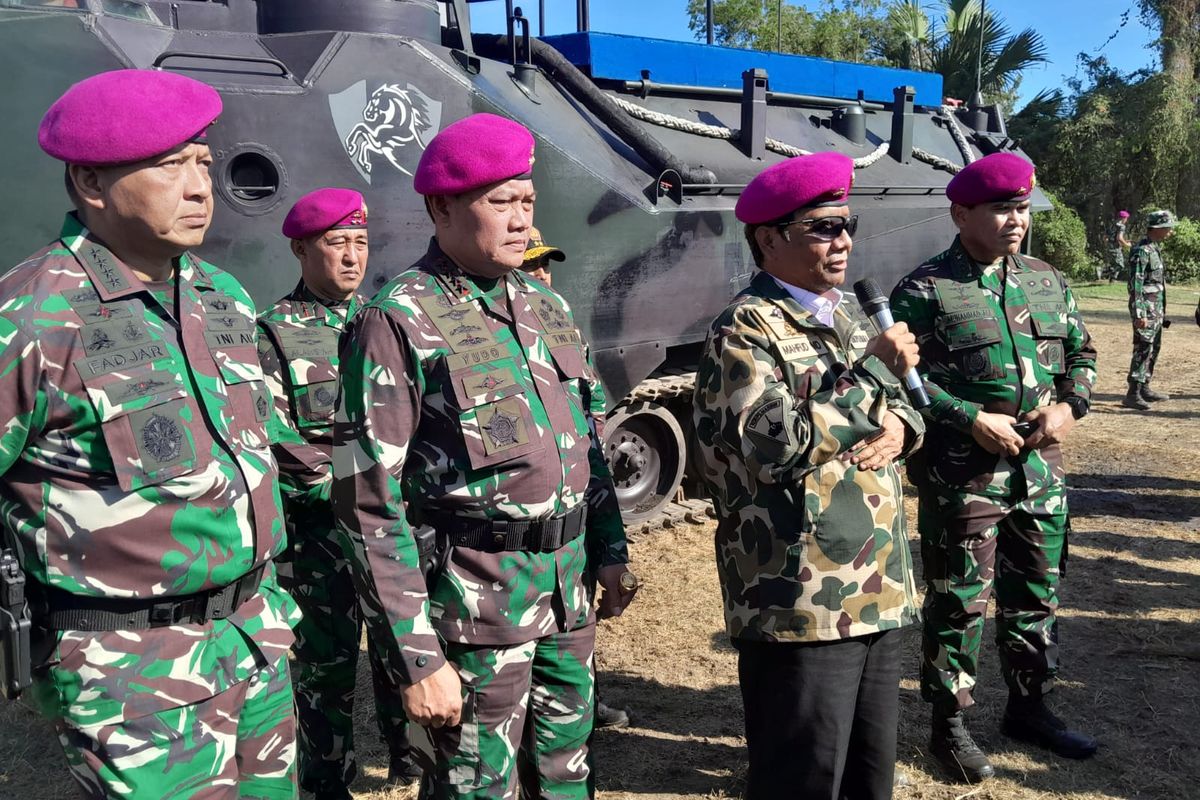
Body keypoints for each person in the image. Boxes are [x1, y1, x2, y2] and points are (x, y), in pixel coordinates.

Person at [0, 69, 299, 798]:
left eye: (203, 161)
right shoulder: (33, 316)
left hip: (256, 644)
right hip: (133, 679)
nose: (201, 186)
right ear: (92, 182)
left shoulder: (218, 295)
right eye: (170, 165)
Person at [331, 112, 637, 799]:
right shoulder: (397, 319)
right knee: (475, 788)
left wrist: (610, 549)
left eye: (527, 202)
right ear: (441, 206)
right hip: (473, 613)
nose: (521, 219)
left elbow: (585, 440)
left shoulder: (543, 305)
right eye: (501, 202)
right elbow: (366, 502)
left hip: (566, 599)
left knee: (566, 777)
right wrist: (415, 656)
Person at [692, 152, 926, 800]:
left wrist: (905, 425)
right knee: (801, 781)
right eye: (823, 226)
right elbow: (772, 445)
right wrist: (873, 377)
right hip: (798, 601)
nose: (843, 239)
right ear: (770, 237)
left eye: (846, 224)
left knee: (867, 779)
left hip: (873, 590)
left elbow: (904, 403)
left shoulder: (845, 315)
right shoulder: (744, 329)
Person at [890, 152, 1099, 784]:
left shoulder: (1046, 279)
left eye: (1022, 208)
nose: (1016, 220)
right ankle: (948, 726)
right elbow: (904, 382)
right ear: (961, 213)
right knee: (958, 600)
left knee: (1037, 593)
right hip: (964, 475)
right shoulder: (925, 289)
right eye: (1003, 208)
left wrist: (1069, 406)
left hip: (1040, 473)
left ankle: (1030, 708)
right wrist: (967, 417)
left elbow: (1081, 353)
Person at [257, 188, 418, 799]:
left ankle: (409, 760)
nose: (351, 257)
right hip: (319, 537)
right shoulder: (272, 332)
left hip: (392, 533)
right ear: (301, 248)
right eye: (335, 243)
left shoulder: (386, 322)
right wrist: (362, 486)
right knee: (324, 669)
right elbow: (275, 436)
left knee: (399, 648)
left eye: (359, 242)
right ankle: (327, 781)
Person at [517, 225, 633, 731]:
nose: (541, 275)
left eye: (545, 264)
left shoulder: (565, 330)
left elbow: (593, 426)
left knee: (577, 615)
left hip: (577, 512)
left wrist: (613, 549)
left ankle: (586, 701)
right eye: (529, 266)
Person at [1123, 210, 1176, 411]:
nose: (1170, 231)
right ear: (1158, 227)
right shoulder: (1141, 250)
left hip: (1156, 310)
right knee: (1143, 348)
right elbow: (1135, 285)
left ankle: (1144, 387)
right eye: (1168, 227)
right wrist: (1140, 313)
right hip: (1145, 310)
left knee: (1153, 348)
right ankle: (1133, 393)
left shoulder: (1154, 249)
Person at [1104, 209, 1131, 282]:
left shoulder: (1111, 225)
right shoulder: (1121, 226)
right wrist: (1127, 245)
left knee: (1114, 264)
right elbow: (1119, 238)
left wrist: (1109, 244)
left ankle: (1112, 280)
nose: (1126, 220)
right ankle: (1106, 272)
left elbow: (1105, 237)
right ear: (1123, 218)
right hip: (1115, 248)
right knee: (1120, 265)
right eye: (1126, 218)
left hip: (1109, 247)